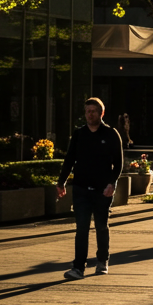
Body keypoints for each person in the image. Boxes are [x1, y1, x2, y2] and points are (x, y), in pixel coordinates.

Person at [57, 97, 123, 279]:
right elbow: (69, 159)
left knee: (101, 226)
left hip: (103, 189)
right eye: (87, 111)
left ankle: (102, 260)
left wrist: (112, 183)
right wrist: (61, 182)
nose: (90, 114)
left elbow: (118, 164)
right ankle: (78, 267)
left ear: (101, 113)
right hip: (81, 189)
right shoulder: (79, 134)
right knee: (82, 228)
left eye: (94, 111)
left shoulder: (111, 134)